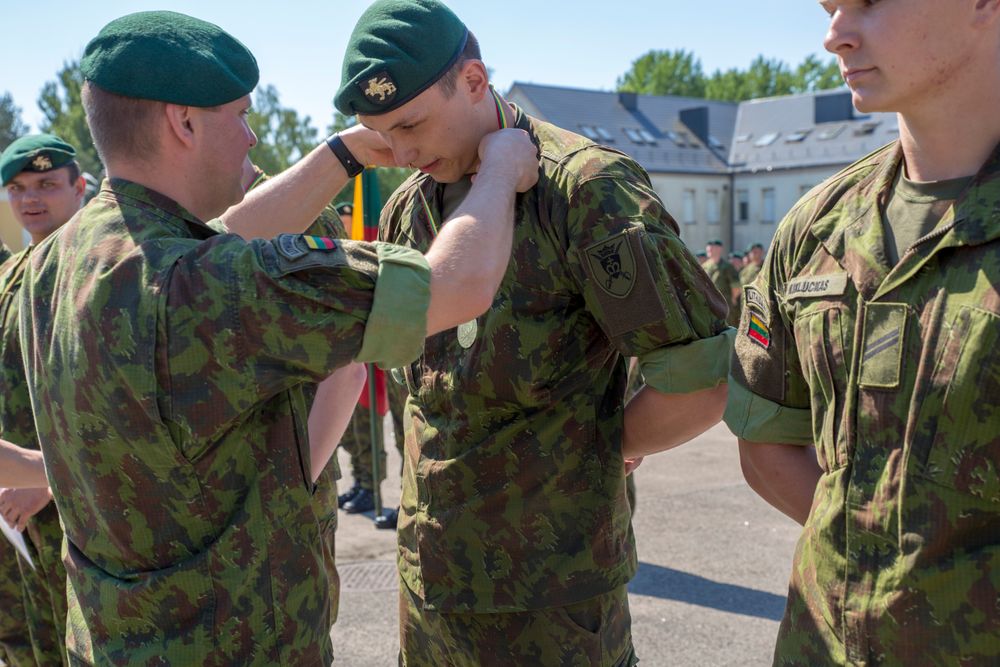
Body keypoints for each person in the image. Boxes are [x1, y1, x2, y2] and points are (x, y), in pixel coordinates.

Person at [17, 10, 538, 665]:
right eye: (240, 115)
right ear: (184, 123)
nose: (252, 136)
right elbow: (456, 285)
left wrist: (344, 154)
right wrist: (500, 171)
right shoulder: (211, 286)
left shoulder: (58, 260)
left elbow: (219, 235)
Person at [335, 1, 732, 664]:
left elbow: (701, 376)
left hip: (551, 599)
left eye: (410, 124)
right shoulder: (409, 208)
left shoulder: (584, 189)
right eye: (380, 133)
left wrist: (605, 444)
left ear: (473, 81)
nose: (399, 154)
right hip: (430, 583)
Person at [725, 0, 1000, 664]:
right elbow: (766, 440)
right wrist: (880, 562)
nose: (834, 36)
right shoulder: (816, 227)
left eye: (869, 2)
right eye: (831, 7)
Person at [0, 133, 88, 666]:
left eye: (46, 184)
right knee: (29, 645)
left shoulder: (96, 268)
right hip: (16, 512)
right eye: (17, 188)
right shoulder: (12, 274)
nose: (30, 198)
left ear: (79, 188)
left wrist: (48, 482)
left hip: (76, 507)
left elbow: (113, 400)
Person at [702, 239, 741, 325]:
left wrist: (732, 300)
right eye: (709, 248)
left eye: (712, 248)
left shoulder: (728, 267)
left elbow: (736, 287)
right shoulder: (704, 267)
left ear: (719, 249)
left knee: (727, 326)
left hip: (724, 303)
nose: (709, 250)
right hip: (709, 304)